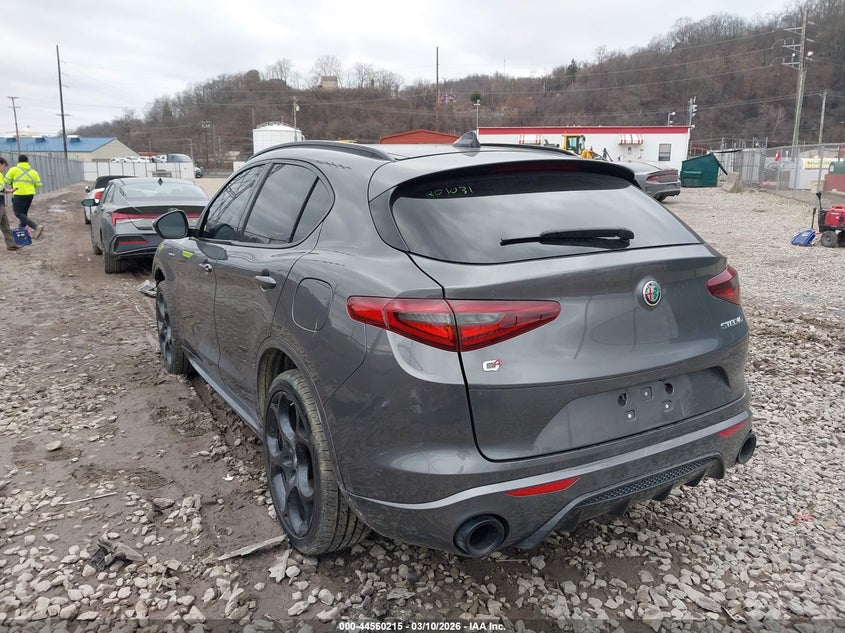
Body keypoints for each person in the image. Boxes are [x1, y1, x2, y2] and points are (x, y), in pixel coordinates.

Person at [4, 154, 44, 239]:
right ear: (27, 162)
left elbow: (6, 181)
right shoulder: (34, 172)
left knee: (18, 213)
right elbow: (39, 184)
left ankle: (36, 227)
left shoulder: (13, 169)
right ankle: (21, 235)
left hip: (19, 194)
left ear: (18, 161)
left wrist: (13, 182)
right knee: (24, 214)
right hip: (30, 195)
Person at [0, 157, 20, 251]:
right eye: (4, 166)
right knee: (4, 224)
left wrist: (10, 191)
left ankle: (11, 244)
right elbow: (1, 189)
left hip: (1, 202)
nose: (4, 169)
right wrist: (10, 190)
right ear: (0, 164)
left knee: (5, 224)